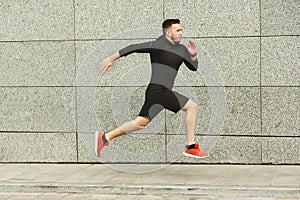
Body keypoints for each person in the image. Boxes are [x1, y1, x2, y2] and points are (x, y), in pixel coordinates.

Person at [95, 19, 209, 159]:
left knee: (140, 123)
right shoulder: (157, 45)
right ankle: (191, 146)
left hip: (159, 92)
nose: (181, 33)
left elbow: (193, 67)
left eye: (181, 30)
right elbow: (133, 47)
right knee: (192, 106)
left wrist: (192, 55)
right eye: (178, 30)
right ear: (168, 32)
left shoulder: (182, 49)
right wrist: (111, 58)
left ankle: (104, 137)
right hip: (158, 90)